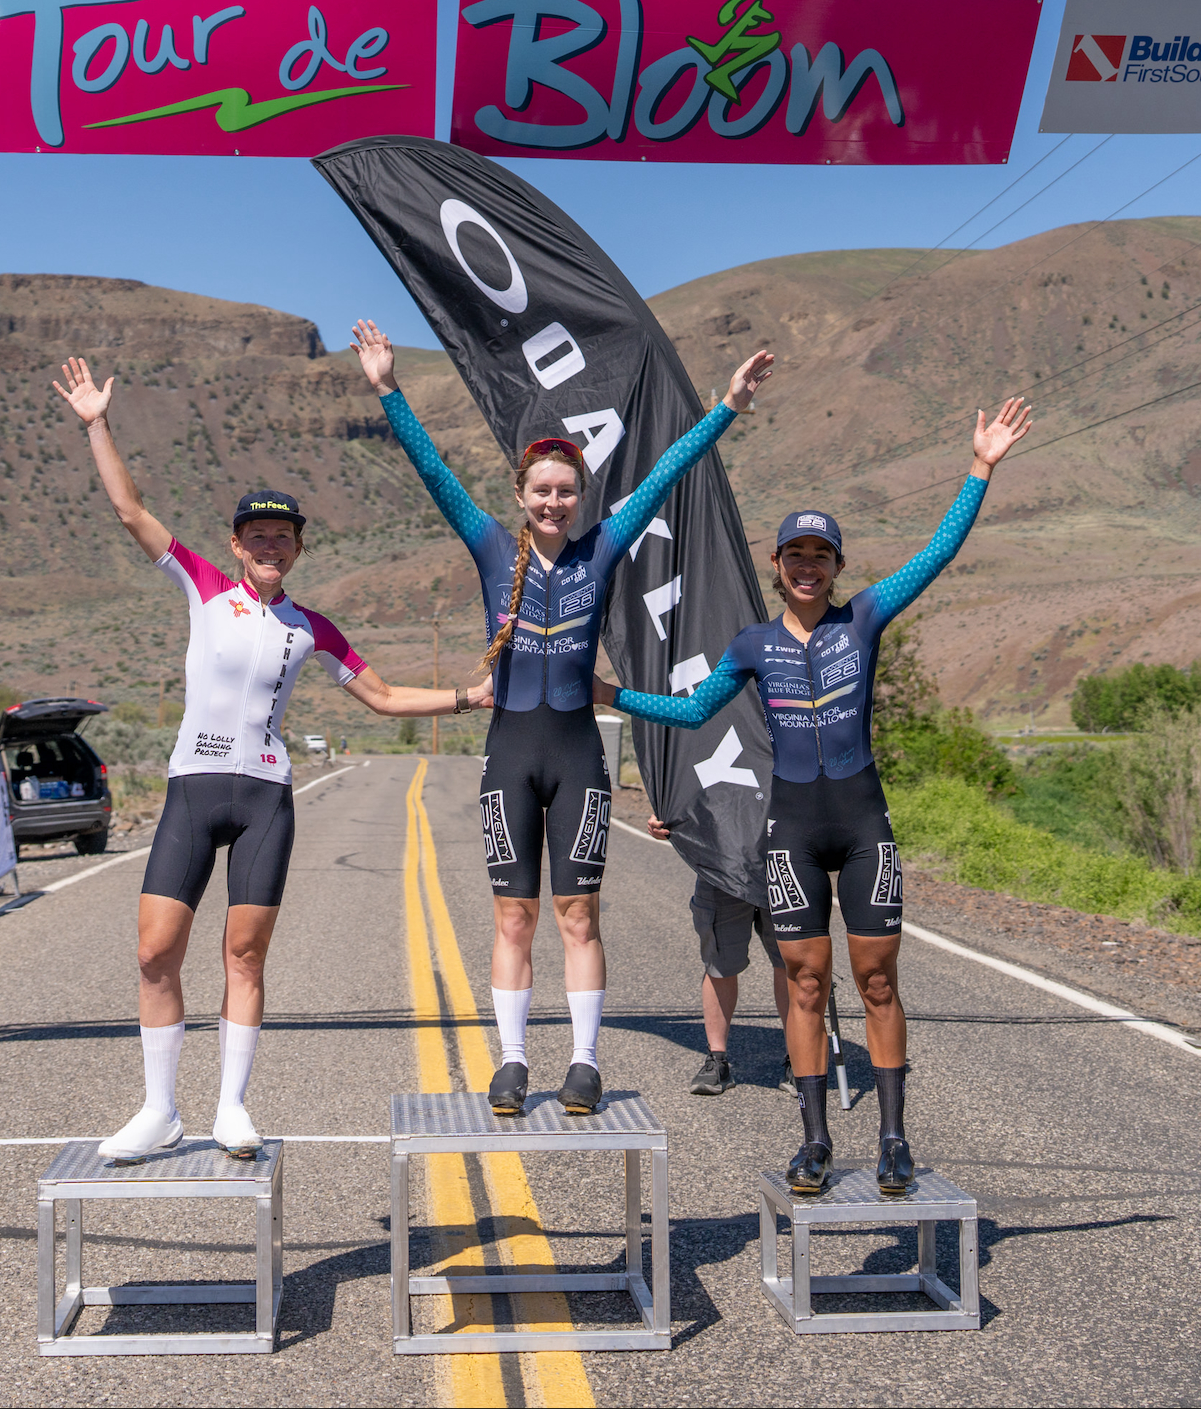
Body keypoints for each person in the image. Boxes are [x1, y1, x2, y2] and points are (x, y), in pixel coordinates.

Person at [53, 357, 488, 1164]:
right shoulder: (202, 585)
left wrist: (467, 697)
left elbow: (384, 697)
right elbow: (128, 509)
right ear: (235, 544)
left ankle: (230, 1108)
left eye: (281, 537)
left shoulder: (312, 628)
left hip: (263, 798)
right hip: (192, 788)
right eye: (256, 535)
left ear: (296, 548)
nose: (268, 545)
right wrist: (96, 424)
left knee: (244, 955)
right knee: (154, 952)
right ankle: (158, 1110)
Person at [596, 398, 1032, 1195]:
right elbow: (692, 711)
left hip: (863, 825)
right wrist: (610, 694)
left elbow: (936, 553)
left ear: (835, 565)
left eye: (820, 555)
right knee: (802, 983)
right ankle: (814, 1141)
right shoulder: (751, 644)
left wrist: (979, 468)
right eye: (794, 555)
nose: (807, 566)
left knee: (877, 982)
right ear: (776, 564)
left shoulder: (863, 617)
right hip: (791, 827)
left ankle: (893, 1139)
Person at [351, 318, 774, 1116]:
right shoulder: (489, 547)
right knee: (513, 917)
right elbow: (434, 470)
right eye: (541, 491)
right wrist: (388, 389)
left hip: (578, 760)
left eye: (565, 491)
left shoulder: (601, 548)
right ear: (521, 497)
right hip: (510, 758)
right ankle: (512, 1061)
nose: (554, 501)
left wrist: (726, 407)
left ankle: (583, 1062)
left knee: (578, 915)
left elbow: (665, 473)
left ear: (580, 499)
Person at [644, 815, 791, 1094]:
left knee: (792, 963)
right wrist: (663, 813)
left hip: (783, 854)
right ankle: (717, 1060)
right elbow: (682, 790)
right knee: (719, 963)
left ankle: (799, 1059)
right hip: (720, 859)